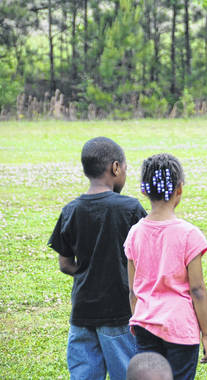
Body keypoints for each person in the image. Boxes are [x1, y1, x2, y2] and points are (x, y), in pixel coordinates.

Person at [48, 136, 147, 380]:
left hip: (82, 313)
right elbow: (146, 257)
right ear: (115, 168)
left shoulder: (71, 209)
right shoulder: (130, 208)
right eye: (124, 168)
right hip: (120, 312)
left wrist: (88, 272)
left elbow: (65, 263)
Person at [125, 153, 207, 380]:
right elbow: (198, 289)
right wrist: (206, 334)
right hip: (180, 329)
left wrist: (140, 316)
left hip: (145, 324)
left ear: (144, 190)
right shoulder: (189, 234)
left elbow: (133, 290)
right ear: (180, 189)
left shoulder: (135, 233)